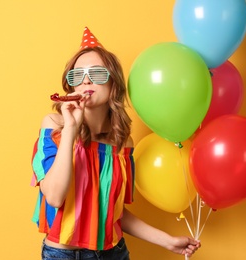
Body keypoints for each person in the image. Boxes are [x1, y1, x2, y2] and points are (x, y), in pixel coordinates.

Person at [31, 27, 201, 260]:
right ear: (71, 86)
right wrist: (71, 129)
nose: (86, 80)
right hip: (64, 255)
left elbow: (113, 211)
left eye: (97, 74)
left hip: (114, 253)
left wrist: (168, 241)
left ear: (114, 85)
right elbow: (54, 197)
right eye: (77, 75)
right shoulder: (56, 126)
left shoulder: (122, 144)